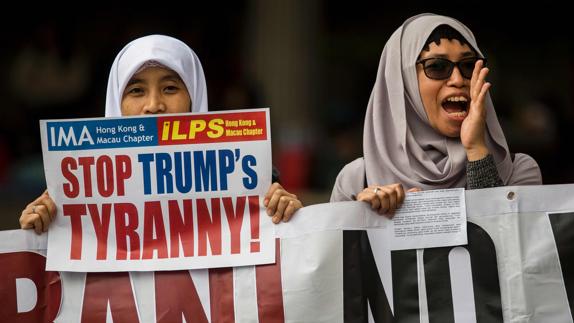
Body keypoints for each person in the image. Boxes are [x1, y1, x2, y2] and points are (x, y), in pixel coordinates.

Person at [20, 34, 302, 234]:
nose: (153, 106)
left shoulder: (249, 177)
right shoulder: (77, 187)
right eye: (136, 91)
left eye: (170, 88)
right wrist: (41, 229)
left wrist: (287, 217)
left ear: (194, 96)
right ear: (116, 101)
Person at [330, 13, 542, 215]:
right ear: (403, 83)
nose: (458, 80)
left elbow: (505, 241)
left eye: (468, 66)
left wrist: (476, 150)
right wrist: (361, 217)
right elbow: (335, 253)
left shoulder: (518, 171)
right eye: (438, 67)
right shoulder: (356, 181)